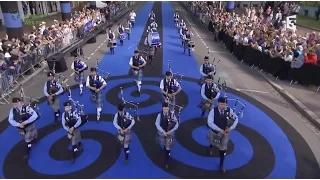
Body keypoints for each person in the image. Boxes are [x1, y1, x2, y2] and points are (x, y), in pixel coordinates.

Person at [207, 97, 239, 174]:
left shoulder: (229, 110)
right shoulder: (213, 111)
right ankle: (211, 148)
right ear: (218, 103)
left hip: (225, 134)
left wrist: (230, 128)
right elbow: (210, 122)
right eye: (221, 104)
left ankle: (221, 164)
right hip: (214, 132)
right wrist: (219, 130)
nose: (223, 106)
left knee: (223, 149)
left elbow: (236, 119)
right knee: (212, 142)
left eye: (224, 104)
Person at [155, 102, 179, 169]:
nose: (165, 110)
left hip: (169, 134)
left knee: (168, 147)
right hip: (162, 133)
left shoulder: (172, 115)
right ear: (162, 108)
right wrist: (163, 131)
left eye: (167, 109)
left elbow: (176, 124)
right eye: (164, 109)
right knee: (164, 145)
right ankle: (165, 150)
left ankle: (166, 161)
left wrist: (170, 131)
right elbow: (157, 124)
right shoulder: (159, 115)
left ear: (168, 108)